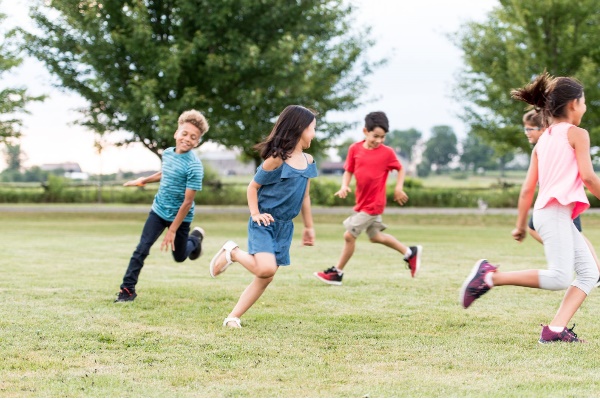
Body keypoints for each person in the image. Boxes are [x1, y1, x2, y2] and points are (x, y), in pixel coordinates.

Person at [460, 72, 600, 343]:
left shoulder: (544, 140)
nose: (584, 107)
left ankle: (555, 330)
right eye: (583, 102)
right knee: (559, 277)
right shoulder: (578, 134)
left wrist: (520, 224)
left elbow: (527, 189)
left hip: (550, 214)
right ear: (574, 104)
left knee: (589, 272)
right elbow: (589, 177)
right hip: (555, 213)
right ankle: (491, 277)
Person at [209, 105, 318, 328]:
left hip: (285, 227)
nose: (314, 134)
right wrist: (255, 213)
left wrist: (309, 226)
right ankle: (233, 252)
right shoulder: (277, 159)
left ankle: (233, 317)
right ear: (300, 128)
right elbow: (253, 187)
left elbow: (305, 196)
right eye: (312, 128)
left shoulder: (309, 161)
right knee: (266, 269)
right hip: (265, 222)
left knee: (266, 277)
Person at [313, 111, 422, 286]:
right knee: (375, 237)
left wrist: (399, 188)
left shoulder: (387, 153)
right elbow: (348, 170)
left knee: (349, 236)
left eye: (383, 137)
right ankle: (410, 252)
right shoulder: (354, 149)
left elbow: (400, 168)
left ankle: (337, 273)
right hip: (362, 202)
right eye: (375, 136)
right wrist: (344, 185)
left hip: (373, 204)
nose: (379, 140)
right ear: (365, 131)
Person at [114, 110, 209, 302]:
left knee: (179, 257)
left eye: (193, 137)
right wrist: (143, 180)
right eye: (184, 133)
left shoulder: (194, 166)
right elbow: (165, 173)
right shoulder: (167, 153)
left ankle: (195, 240)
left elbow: (188, 202)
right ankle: (127, 290)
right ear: (176, 133)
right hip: (158, 211)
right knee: (142, 249)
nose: (187, 139)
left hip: (181, 217)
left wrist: (172, 229)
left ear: (197, 142)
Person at [522, 110, 600, 284]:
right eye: (525, 129)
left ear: (543, 128)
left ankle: (593, 268)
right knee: (569, 270)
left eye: (530, 129)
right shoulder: (543, 146)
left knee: (572, 267)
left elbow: (588, 176)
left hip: (562, 202)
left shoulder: (556, 140)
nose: (527, 133)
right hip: (552, 205)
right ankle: (570, 255)